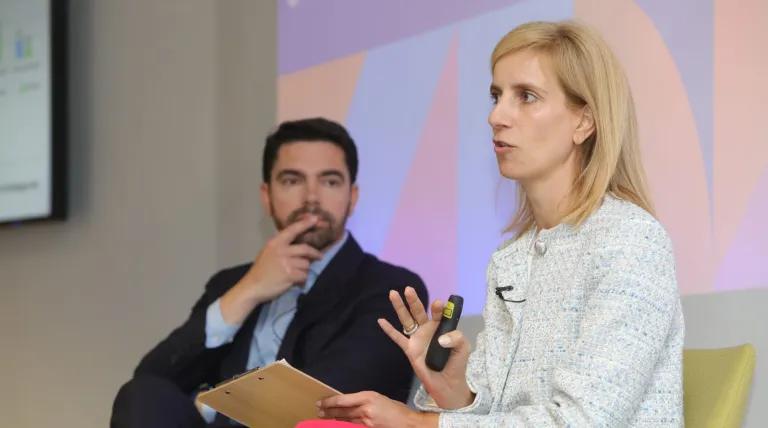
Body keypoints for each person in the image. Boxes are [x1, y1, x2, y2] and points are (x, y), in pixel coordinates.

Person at [316, 20, 685, 427]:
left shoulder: (632, 241)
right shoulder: (510, 259)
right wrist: (451, 386)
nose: (496, 116)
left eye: (526, 96)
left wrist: (416, 423)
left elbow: (584, 421)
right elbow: (495, 415)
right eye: (496, 96)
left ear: (584, 122)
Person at [110, 118, 429, 427]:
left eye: (329, 181)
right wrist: (248, 290)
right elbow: (151, 386)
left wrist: (208, 404)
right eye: (292, 180)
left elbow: (323, 402)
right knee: (142, 395)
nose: (311, 198)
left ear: (352, 197)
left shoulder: (392, 288)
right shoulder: (230, 284)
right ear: (267, 196)